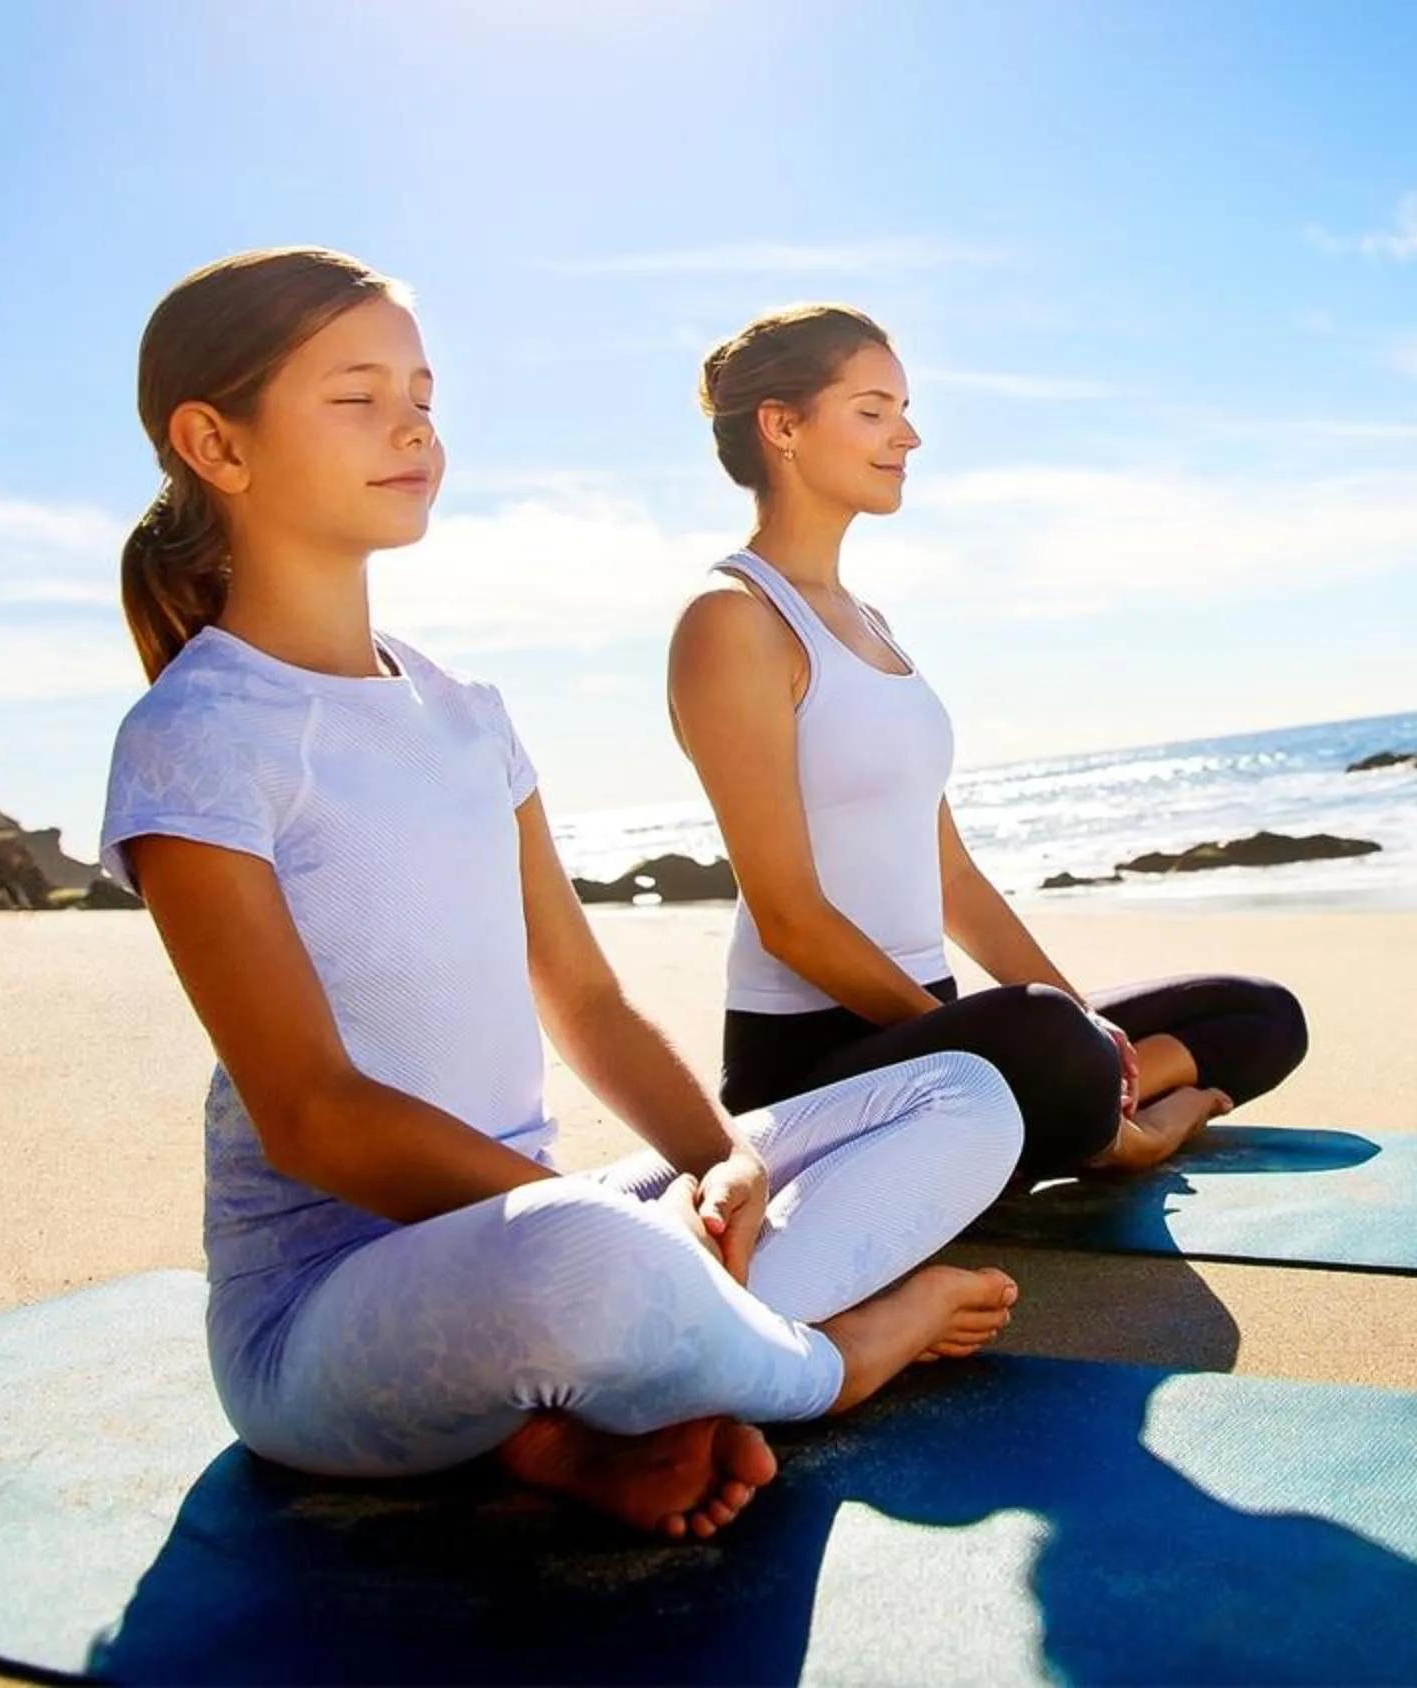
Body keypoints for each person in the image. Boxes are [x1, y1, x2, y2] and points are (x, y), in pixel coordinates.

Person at [99, 250, 1022, 1541]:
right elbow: (313, 1117)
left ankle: (587, 1411)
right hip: (329, 1315)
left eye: (423, 395)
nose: (413, 427)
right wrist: (619, 1233)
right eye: (358, 397)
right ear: (216, 443)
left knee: (967, 1092)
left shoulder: (468, 713)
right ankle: (830, 1358)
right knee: (579, 1260)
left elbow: (585, 997)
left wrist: (718, 1165)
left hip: (539, 1233)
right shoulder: (197, 733)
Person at [667, 305, 1310, 1183]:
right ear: (782, 426)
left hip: (940, 1028)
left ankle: (1092, 1099)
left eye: (904, 410)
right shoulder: (732, 622)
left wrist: (1088, 1028)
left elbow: (953, 879)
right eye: (873, 411)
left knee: (1258, 1012)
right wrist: (1004, 1043)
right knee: (1042, 1033)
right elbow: (789, 919)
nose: (908, 436)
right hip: (813, 1068)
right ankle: (1126, 1128)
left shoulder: (867, 621)